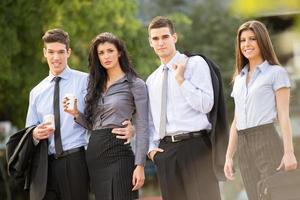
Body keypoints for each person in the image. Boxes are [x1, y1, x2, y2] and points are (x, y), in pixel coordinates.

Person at [25, 29, 134, 200]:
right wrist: (35, 134)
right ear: (44, 53)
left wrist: (130, 127)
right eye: (51, 52)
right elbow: (29, 132)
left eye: (61, 52)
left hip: (75, 160)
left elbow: (102, 119)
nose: (56, 57)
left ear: (68, 52)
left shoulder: (87, 82)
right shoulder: (36, 92)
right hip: (45, 165)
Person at [146, 16, 224, 200]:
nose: (160, 43)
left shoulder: (195, 63)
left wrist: (181, 80)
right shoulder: (151, 80)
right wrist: (151, 150)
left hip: (196, 147)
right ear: (150, 42)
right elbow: (151, 120)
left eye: (165, 37)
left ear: (175, 37)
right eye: (155, 39)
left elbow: (206, 104)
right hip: (166, 153)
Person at [64, 32, 149, 200]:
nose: (106, 56)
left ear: (119, 52)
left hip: (119, 154)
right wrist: (76, 114)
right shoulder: (95, 85)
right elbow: (94, 125)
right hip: (95, 156)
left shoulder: (135, 84)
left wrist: (140, 165)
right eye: (101, 53)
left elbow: (143, 125)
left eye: (110, 50)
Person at [224, 20, 298, 200]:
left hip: (266, 138)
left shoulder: (276, 73)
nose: (246, 44)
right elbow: (236, 120)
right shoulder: (239, 78)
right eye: (242, 40)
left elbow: (283, 115)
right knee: (253, 195)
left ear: (262, 41)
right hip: (243, 143)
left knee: (274, 194)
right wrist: (229, 156)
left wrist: (289, 152)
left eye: (252, 39)